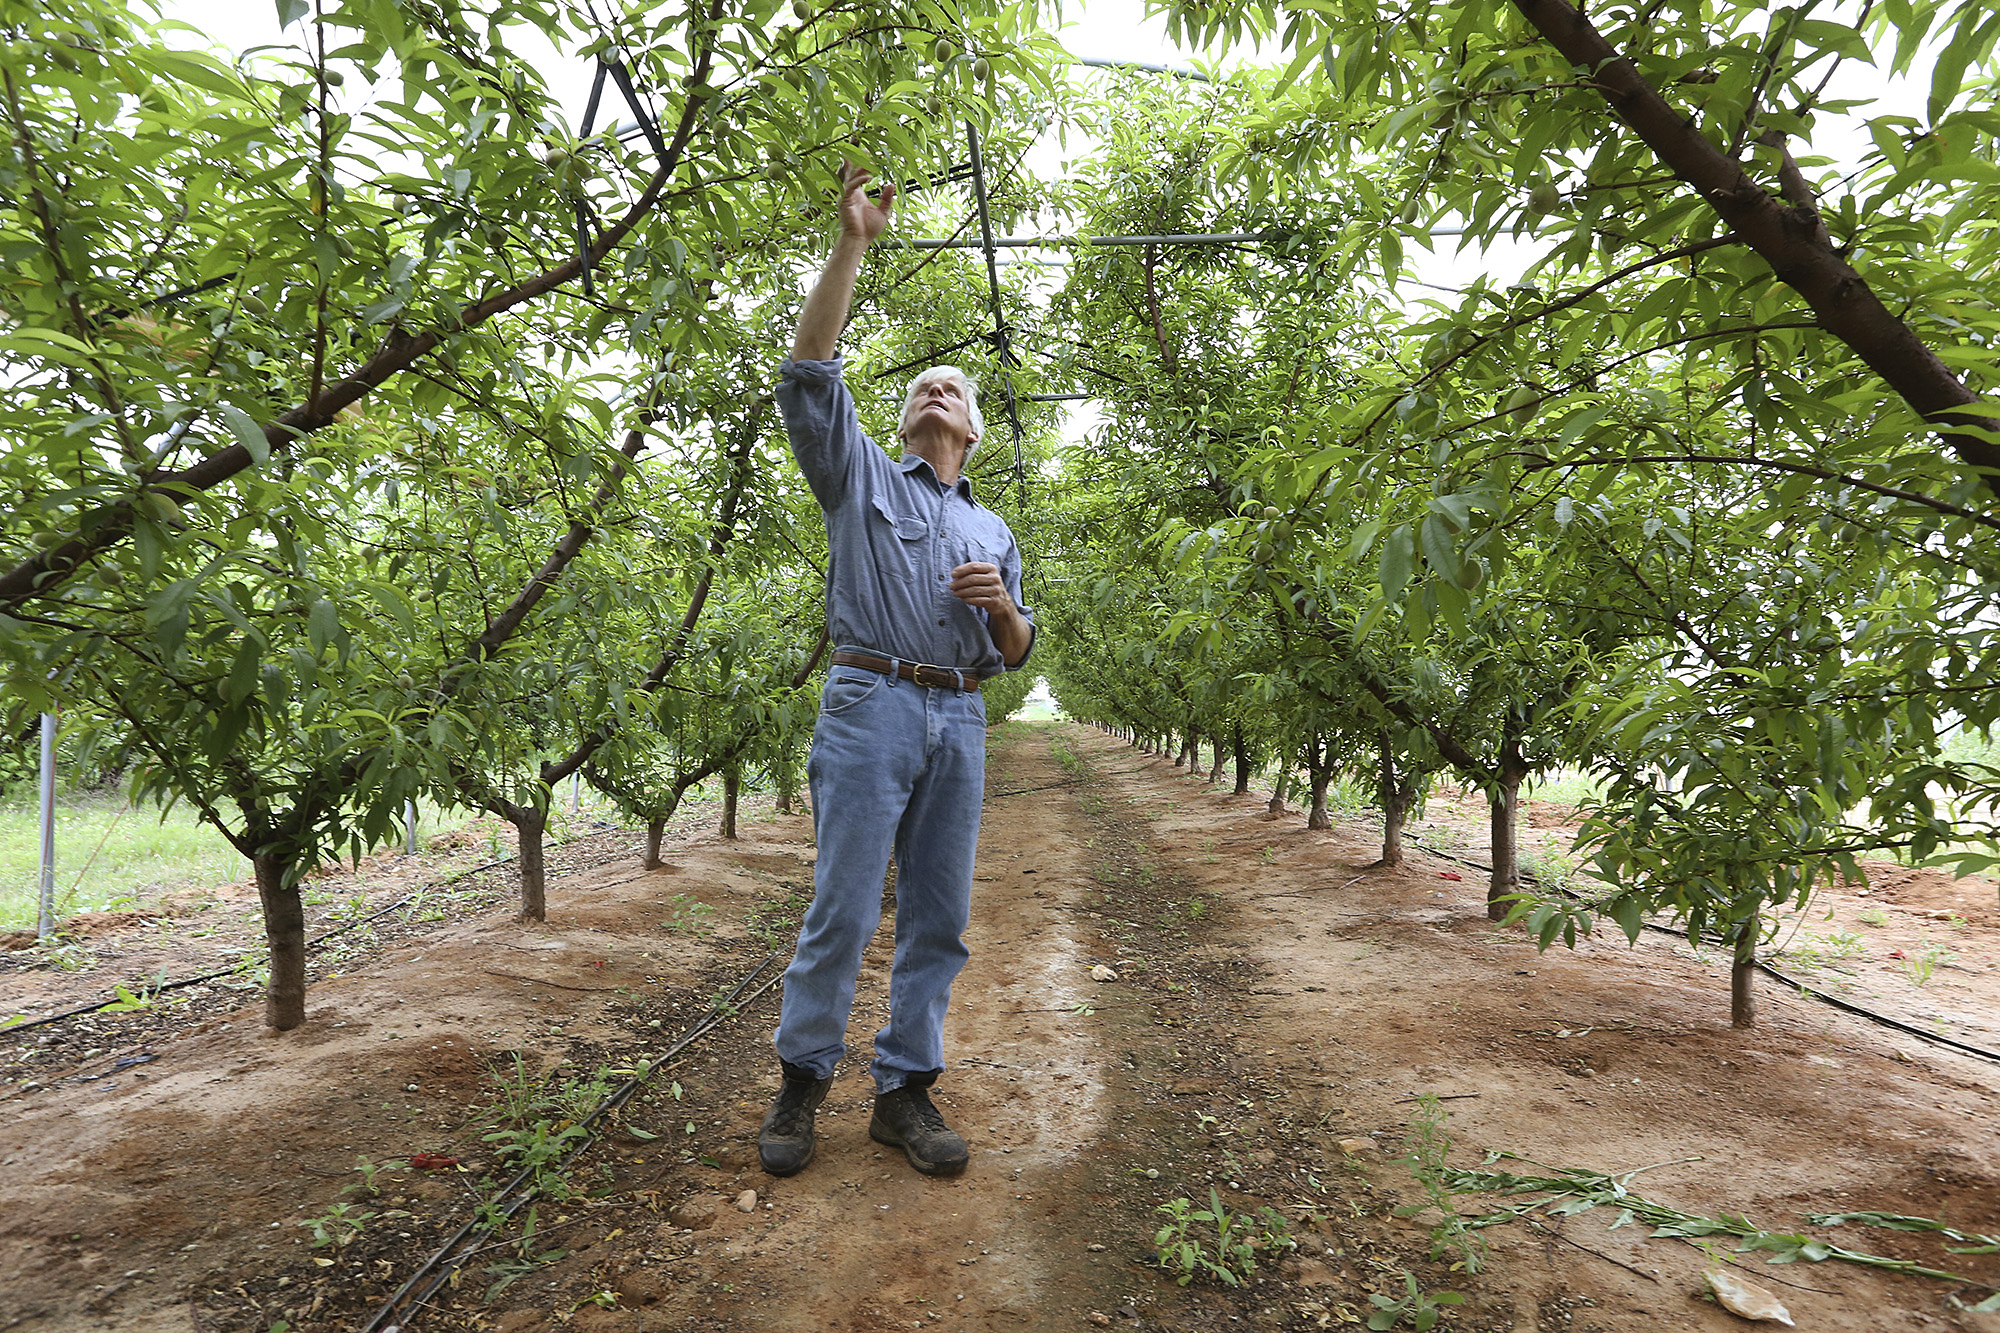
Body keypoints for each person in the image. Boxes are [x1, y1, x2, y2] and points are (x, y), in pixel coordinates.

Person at [758, 165, 1035, 1179]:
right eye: (922, 384)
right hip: (871, 699)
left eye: (951, 392)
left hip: (959, 718)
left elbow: (1014, 652)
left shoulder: (992, 527)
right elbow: (810, 372)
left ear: (970, 429)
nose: (935, 392)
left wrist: (1000, 606)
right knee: (841, 900)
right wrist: (853, 245)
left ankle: (904, 1090)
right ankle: (801, 1078)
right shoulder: (859, 473)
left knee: (937, 913)